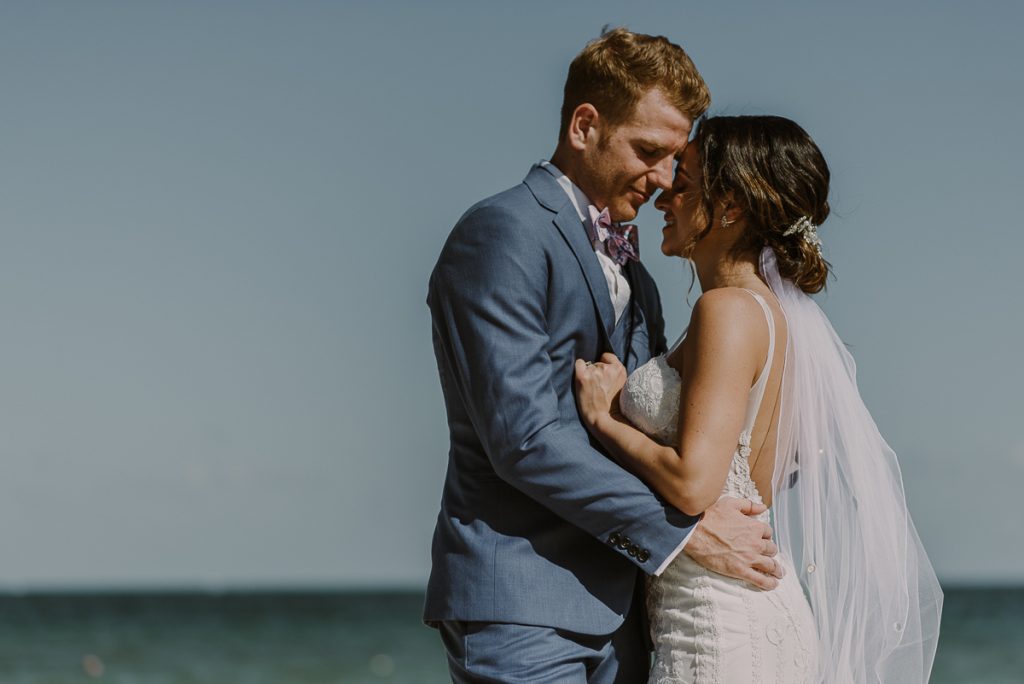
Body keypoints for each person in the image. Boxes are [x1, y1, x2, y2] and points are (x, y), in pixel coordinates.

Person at [425, 30, 786, 683]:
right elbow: (523, 438)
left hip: (632, 619)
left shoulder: (641, 278)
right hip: (523, 607)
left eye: (676, 158)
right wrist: (683, 535)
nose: (665, 179)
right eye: (649, 151)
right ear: (585, 126)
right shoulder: (503, 233)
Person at [575, 115, 943, 683]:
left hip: (717, 627)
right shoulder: (770, 317)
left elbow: (696, 484)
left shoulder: (726, 312)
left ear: (731, 207)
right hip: (741, 609)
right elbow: (750, 484)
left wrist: (604, 421)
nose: (663, 196)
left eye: (685, 181)